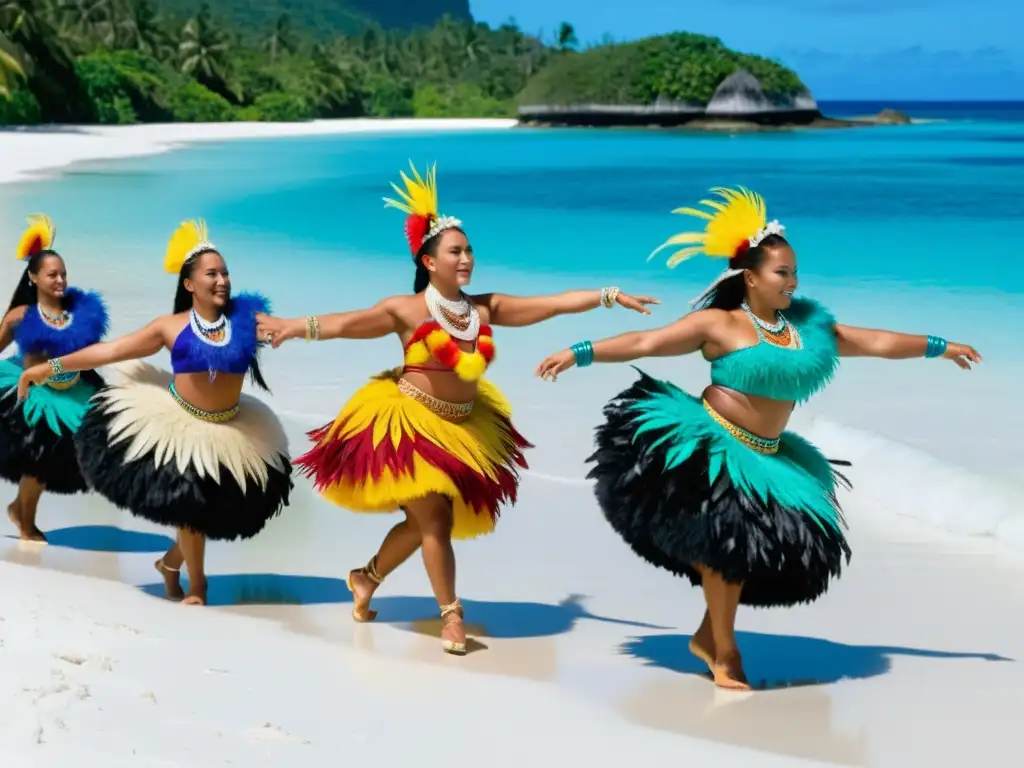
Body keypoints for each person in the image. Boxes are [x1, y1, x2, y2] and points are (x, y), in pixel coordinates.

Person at [535, 186, 982, 690]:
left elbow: (876, 342)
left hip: (769, 458)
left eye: (795, 273)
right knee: (724, 555)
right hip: (709, 447)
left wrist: (940, 346)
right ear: (750, 277)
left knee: (742, 556)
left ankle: (709, 637)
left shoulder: (808, 329)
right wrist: (580, 351)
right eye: (781, 273)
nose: (791, 282)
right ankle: (725, 653)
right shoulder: (719, 323)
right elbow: (647, 342)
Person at [255, 161, 658, 654]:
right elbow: (344, 323)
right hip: (407, 427)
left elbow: (550, 303)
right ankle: (451, 617)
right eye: (455, 251)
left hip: (465, 429)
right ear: (429, 261)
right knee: (437, 521)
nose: (466, 258)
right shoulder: (404, 310)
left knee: (421, 524)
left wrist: (608, 296)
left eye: (469, 250)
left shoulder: (484, 308)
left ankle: (365, 578)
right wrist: (292, 326)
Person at [18, 219, 293, 605]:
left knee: (210, 515)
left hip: (233, 429)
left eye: (226, 273)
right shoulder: (170, 327)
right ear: (189, 284)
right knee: (193, 512)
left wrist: (310, 328)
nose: (223, 281)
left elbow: (290, 326)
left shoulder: (245, 321)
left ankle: (169, 563)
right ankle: (199, 587)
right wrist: (51, 367)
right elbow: (113, 351)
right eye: (212, 273)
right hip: (181, 428)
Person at [0, 214, 109, 542]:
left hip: (72, 392)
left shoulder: (78, 314)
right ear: (33, 277)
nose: (60, 280)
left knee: (59, 461)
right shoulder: (21, 316)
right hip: (30, 394)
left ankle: (20, 508)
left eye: (63, 274)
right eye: (52, 274)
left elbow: (90, 354)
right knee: (38, 461)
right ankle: (25, 521)